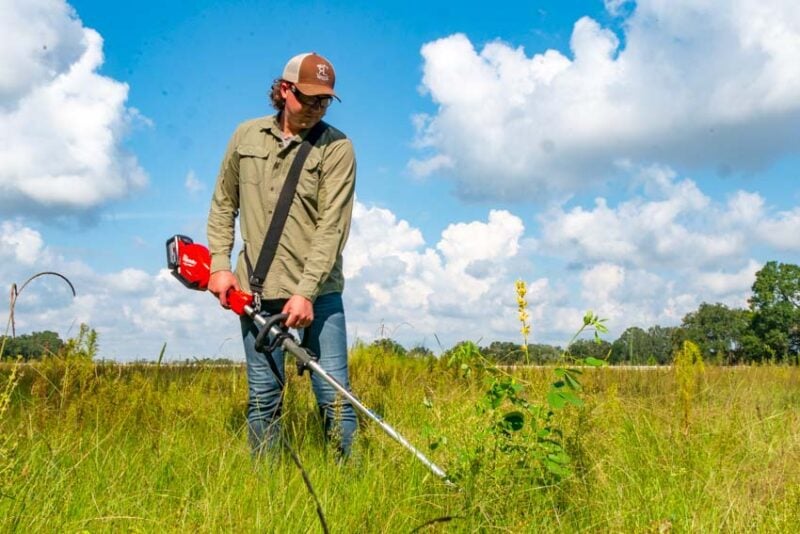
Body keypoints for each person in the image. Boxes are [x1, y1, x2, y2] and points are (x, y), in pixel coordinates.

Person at [206, 52, 357, 458]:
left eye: (324, 101)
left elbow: (333, 226)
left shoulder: (337, 147)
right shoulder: (245, 137)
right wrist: (219, 266)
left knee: (334, 397)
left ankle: (350, 485)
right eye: (308, 98)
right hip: (254, 293)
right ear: (284, 90)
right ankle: (265, 492)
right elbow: (223, 204)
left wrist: (306, 292)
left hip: (318, 295)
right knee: (263, 401)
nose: (316, 108)